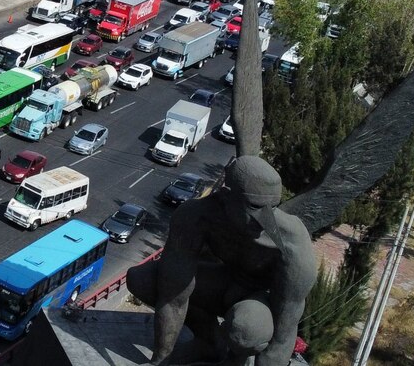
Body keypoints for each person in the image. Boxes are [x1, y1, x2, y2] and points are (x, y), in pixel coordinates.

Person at [126, 156, 316, 366]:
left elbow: (284, 331)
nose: (265, 219)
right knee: (144, 279)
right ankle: (209, 341)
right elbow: (174, 294)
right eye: (255, 206)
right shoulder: (195, 216)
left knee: (246, 328)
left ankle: (234, 359)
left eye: (273, 206)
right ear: (226, 196)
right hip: (224, 283)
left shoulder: (291, 241)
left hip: (259, 302)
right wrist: (161, 360)